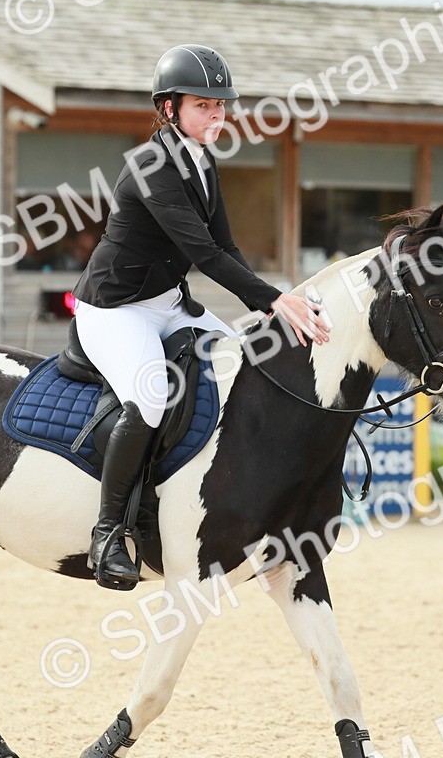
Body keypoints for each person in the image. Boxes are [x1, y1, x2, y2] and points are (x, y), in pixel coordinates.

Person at [71, 44, 330, 590]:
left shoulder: (202, 160)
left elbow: (227, 248)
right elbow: (205, 256)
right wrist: (274, 302)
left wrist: (278, 299)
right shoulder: (149, 166)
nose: (217, 115)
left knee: (252, 364)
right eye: (203, 105)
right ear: (168, 109)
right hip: (115, 310)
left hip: (167, 304)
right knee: (147, 397)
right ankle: (109, 533)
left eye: (222, 105)